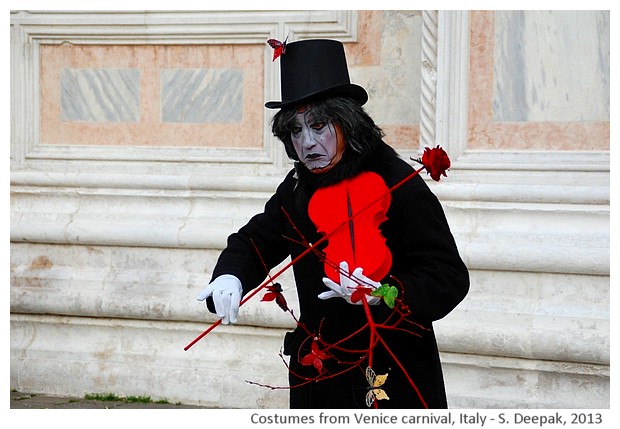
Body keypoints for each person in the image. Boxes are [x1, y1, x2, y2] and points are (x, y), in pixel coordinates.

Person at [196, 39, 469, 409]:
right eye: (295, 131)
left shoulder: (397, 181)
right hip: (319, 377)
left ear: (346, 121)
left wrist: (385, 293)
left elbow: (448, 275)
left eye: (319, 126)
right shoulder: (297, 187)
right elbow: (256, 240)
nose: (307, 143)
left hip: (392, 374)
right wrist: (231, 275)